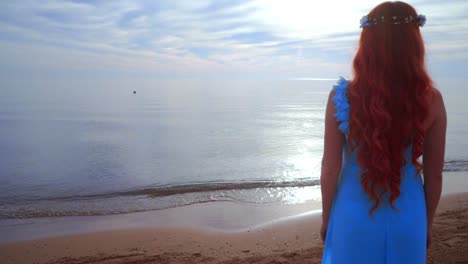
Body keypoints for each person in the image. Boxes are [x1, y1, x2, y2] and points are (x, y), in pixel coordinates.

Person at [320, 1, 446, 263]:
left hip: (352, 216)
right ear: (414, 44)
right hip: (409, 215)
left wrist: (325, 218)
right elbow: (434, 175)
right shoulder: (431, 100)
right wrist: (428, 223)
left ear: (367, 43)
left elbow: (330, 168)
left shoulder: (341, 97)